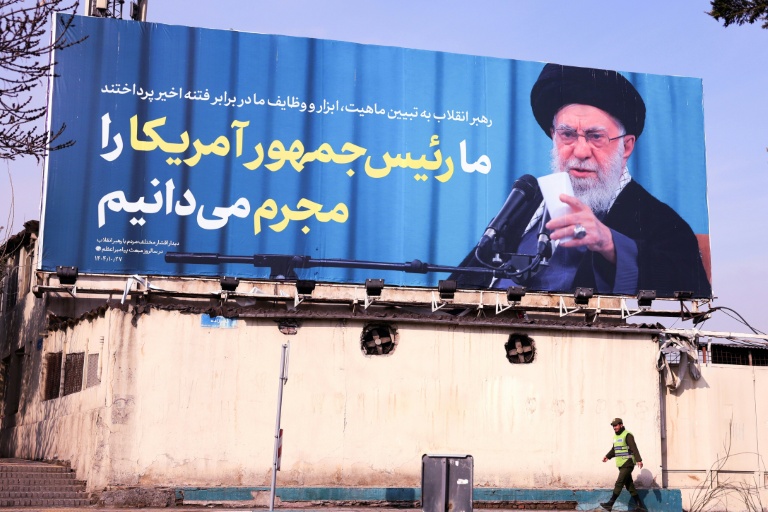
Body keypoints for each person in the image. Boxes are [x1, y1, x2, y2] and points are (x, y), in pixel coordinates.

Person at [453, 63, 711, 299]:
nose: (580, 151)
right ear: (554, 136)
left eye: (595, 137)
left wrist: (609, 243)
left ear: (627, 146)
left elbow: (690, 289)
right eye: (567, 135)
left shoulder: (662, 221)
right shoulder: (525, 208)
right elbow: (460, 284)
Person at [601, 418, 646, 511]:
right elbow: (614, 449)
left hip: (628, 462)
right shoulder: (615, 437)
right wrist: (607, 456)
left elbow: (634, 448)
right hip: (621, 464)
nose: (614, 427)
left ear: (621, 425)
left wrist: (639, 460)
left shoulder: (627, 435)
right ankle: (640, 506)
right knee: (629, 485)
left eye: (616, 425)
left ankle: (610, 503)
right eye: (613, 426)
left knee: (619, 482)